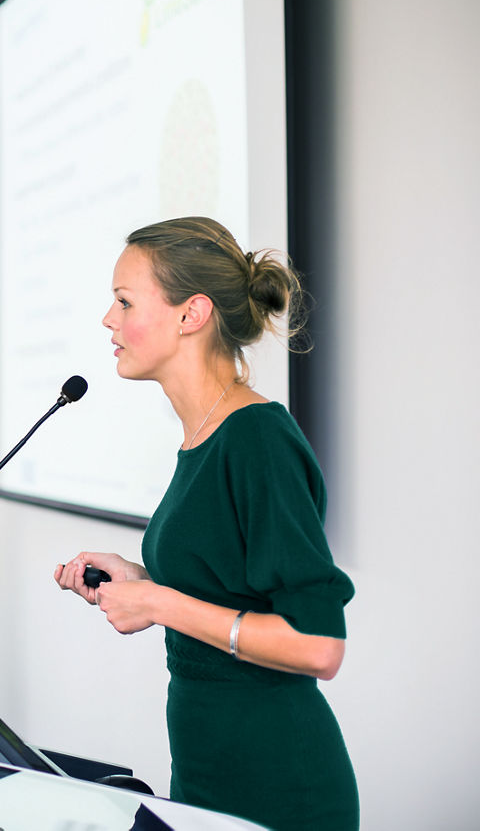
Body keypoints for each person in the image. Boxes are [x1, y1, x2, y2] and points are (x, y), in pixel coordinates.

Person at [53, 216, 358, 831]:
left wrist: (158, 602)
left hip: (277, 787)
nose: (107, 320)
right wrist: (135, 579)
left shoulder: (258, 439)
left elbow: (319, 646)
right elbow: (227, 584)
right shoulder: (204, 434)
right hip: (204, 770)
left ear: (191, 314)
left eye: (124, 301)